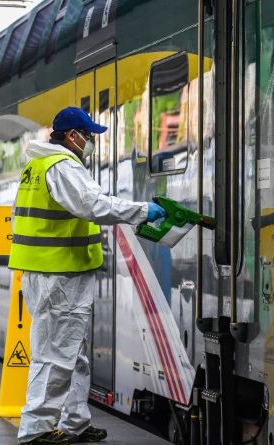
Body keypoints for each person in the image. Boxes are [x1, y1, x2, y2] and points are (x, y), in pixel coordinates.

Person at [9, 106, 167, 445]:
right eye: (88, 136)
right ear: (71, 136)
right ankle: (37, 429)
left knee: (72, 352)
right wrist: (142, 211)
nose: (91, 142)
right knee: (54, 355)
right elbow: (93, 205)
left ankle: (75, 422)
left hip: (50, 273)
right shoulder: (62, 166)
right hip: (59, 274)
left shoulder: (36, 167)